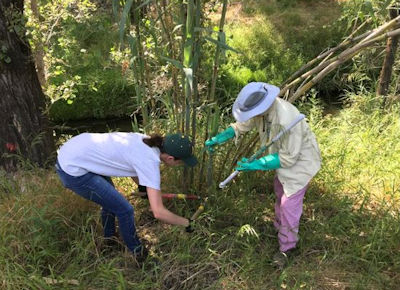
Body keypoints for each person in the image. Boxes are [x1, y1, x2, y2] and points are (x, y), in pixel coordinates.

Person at [205, 82, 321, 268]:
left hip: (300, 164)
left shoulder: (287, 118)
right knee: (279, 191)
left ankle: (287, 247)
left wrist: (257, 164)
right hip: (282, 163)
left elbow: (289, 157)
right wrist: (220, 138)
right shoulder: (261, 110)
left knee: (288, 204)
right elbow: (242, 125)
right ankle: (279, 226)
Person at [56, 132, 197, 262]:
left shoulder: (146, 141)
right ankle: (139, 254)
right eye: (181, 162)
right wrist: (187, 223)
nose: (180, 165)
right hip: (73, 170)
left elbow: (131, 164)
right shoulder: (150, 161)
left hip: (76, 150)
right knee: (125, 210)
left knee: (111, 202)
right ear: (170, 158)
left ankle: (110, 240)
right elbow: (158, 212)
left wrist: (144, 188)